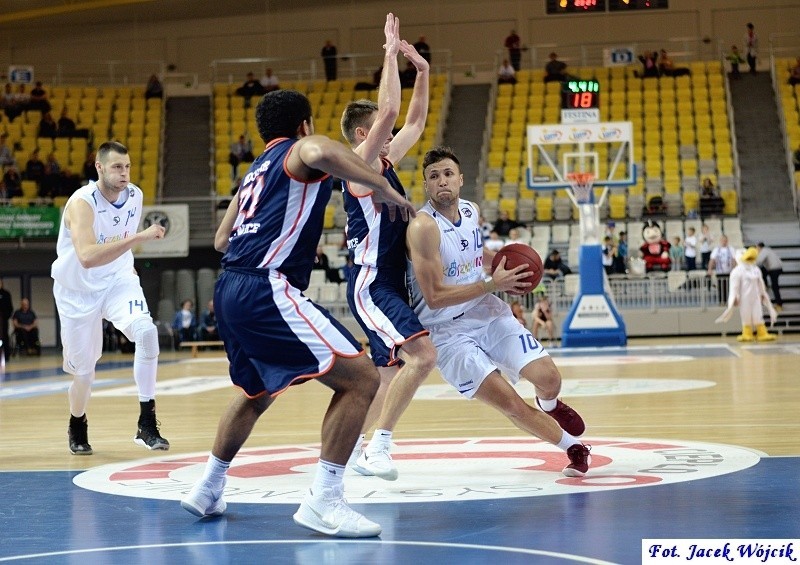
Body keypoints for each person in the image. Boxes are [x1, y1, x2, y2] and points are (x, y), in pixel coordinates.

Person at [179, 87, 415, 538]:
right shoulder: (299, 149)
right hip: (266, 286)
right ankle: (324, 499)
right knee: (363, 378)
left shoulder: (255, 170)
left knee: (256, 392)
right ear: (303, 124)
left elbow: (220, 240)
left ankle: (208, 486)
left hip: (229, 286)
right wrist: (384, 186)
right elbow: (320, 148)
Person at [406, 146, 590, 478]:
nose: (442, 181)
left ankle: (550, 405)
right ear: (426, 185)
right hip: (447, 332)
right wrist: (494, 283)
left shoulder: (470, 211)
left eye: (448, 174)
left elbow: (479, 256)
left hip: (486, 311)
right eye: (434, 176)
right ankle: (572, 447)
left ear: (460, 180)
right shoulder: (422, 227)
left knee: (550, 379)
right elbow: (433, 297)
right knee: (511, 403)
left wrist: (513, 270)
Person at [341, 15, 436, 481]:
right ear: (364, 136)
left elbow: (414, 121)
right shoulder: (358, 167)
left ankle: (358, 452)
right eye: (378, 132)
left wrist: (422, 71)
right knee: (423, 356)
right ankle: (379, 448)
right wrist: (388, 53)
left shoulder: (383, 163)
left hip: (388, 282)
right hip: (372, 284)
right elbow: (393, 115)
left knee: (384, 372)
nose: (389, 139)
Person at [51, 140, 170, 456]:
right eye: (117, 167)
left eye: (128, 166)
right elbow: (88, 256)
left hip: (118, 282)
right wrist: (140, 237)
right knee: (84, 373)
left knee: (146, 332)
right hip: (77, 291)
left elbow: (117, 249)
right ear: (99, 167)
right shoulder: (82, 203)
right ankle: (78, 421)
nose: (125, 173)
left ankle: (147, 423)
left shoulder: (135, 196)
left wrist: (130, 255)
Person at [707, 234, 736, 304]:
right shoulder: (716, 249)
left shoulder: (731, 249)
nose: (724, 242)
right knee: (720, 287)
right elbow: (712, 260)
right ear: (720, 241)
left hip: (729, 271)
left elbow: (733, 260)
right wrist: (709, 269)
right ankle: (721, 301)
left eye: (725, 240)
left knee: (729, 287)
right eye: (723, 240)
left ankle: (729, 301)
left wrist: (735, 269)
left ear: (727, 241)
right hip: (720, 272)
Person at [756, 242, 784, 311]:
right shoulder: (769, 250)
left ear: (759, 247)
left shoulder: (764, 251)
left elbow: (759, 261)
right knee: (762, 270)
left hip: (774, 269)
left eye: (757, 248)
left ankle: (779, 304)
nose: (756, 250)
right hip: (777, 268)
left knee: (775, 287)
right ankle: (765, 283)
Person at [0, 278, 12, 362]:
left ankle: (7, 355)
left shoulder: (6, 294)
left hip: (3, 320)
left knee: (4, 336)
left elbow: (10, 307)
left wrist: (6, 316)